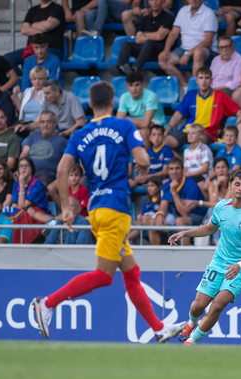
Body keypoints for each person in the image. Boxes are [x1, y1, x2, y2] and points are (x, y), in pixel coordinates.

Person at [32, 80, 187, 342]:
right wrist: (141, 166)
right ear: (113, 103)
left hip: (97, 208)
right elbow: (143, 159)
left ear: (90, 105)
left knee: (131, 274)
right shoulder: (124, 125)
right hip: (115, 208)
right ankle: (47, 304)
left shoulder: (80, 133)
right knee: (104, 276)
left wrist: (67, 208)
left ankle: (159, 329)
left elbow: (61, 170)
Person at [166, 169, 241, 345]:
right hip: (218, 263)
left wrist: (239, 265)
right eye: (237, 184)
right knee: (198, 306)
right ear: (230, 186)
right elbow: (209, 228)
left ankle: (190, 343)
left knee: (217, 305)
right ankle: (190, 324)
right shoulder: (221, 207)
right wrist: (184, 233)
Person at [165, 67, 241, 149]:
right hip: (188, 131)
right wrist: (168, 129)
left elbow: (237, 110)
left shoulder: (220, 96)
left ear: (211, 80)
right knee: (165, 142)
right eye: (201, 78)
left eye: (207, 78)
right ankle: (180, 161)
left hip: (206, 132)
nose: (204, 81)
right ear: (197, 80)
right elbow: (178, 114)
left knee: (197, 141)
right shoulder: (190, 95)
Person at [158, 0, 218, 89]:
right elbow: (173, 33)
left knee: (198, 53)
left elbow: (208, 41)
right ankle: (186, 86)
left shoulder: (208, 13)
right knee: (163, 60)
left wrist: (188, 53)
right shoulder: (183, 11)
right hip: (184, 48)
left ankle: (196, 88)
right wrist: (166, 50)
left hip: (205, 49)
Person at [150, 157, 207, 245]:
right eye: (171, 169)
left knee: (180, 221)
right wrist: (160, 214)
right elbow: (163, 206)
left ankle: (184, 254)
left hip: (198, 216)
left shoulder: (191, 185)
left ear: (183, 170)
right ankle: (154, 256)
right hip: (176, 216)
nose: (174, 172)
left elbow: (185, 212)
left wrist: (174, 192)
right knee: (154, 221)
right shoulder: (166, 185)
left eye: (177, 168)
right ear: (168, 171)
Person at [111, 0, 174, 75]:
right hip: (145, 51)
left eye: (157, 0)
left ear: (162, 1)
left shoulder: (168, 17)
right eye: (152, 0)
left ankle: (135, 69)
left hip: (158, 52)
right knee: (126, 44)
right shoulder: (145, 19)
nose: (155, 2)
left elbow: (159, 37)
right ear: (149, 2)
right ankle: (120, 68)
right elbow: (138, 39)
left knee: (149, 42)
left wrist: (144, 35)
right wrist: (153, 35)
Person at [3, 0, 66, 73]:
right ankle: (23, 81)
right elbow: (23, 30)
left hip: (51, 48)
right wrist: (42, 29)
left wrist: (32, 25)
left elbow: (47, 26)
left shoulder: (58, 9)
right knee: (7, 59)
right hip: (31, 48)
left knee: (34, 57)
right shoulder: (32, 10)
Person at [20, 110, 68, 200]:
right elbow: (24, 153)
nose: (45, 125)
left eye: (48, 121)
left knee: (38, 185)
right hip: (29, 172)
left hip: (47, 175)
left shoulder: (62, 141)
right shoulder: (33, 136)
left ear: (54, 123)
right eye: (42, 122)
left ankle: (25, 208)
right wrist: (21, 169)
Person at [15, 79, 86, 138]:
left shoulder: (71, 98)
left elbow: (80, 123)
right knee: (34, 134)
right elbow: (39, 122)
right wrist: (26, 127)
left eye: (47, 93)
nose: (45, 96)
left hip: (73, 133)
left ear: (57, 92)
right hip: (57, 132)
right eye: (44, 93)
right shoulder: (47, 101)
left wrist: (64, 133)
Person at [117, 71, 166, 146]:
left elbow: (145, 124)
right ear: (127, 87)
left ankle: (147, 157)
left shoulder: (151, 96)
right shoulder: (124, 97)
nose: (134, 89)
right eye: (131, 85)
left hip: (157, 124)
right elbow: (119, 122)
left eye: (137, 85)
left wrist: (128, 120)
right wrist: (137, 123)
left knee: (143, 133)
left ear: (142, 85)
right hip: (139, 125)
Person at [130, 125, 173, 189]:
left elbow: (165, 172)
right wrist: (141, 176)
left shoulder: (167, 150)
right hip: (150, 178)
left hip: (161, 179)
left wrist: (148, 177)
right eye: (154, 135)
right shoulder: (149, 151)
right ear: (150, 138)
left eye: (159, 135)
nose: (156, 137)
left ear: (163, 137)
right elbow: (147, 170)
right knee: (132, 181)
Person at [128, 176, 163, 242]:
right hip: (144, 222)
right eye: (148, 186)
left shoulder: (162, 200)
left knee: (139, 225)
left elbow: (162, 214)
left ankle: (125, 241)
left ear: (159, 187)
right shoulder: (146, 200)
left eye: (152, 186)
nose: (149, 188)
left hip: (153, 222)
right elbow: (143, 214)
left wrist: (149, 217)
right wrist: (140, 216)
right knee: (132, 224)